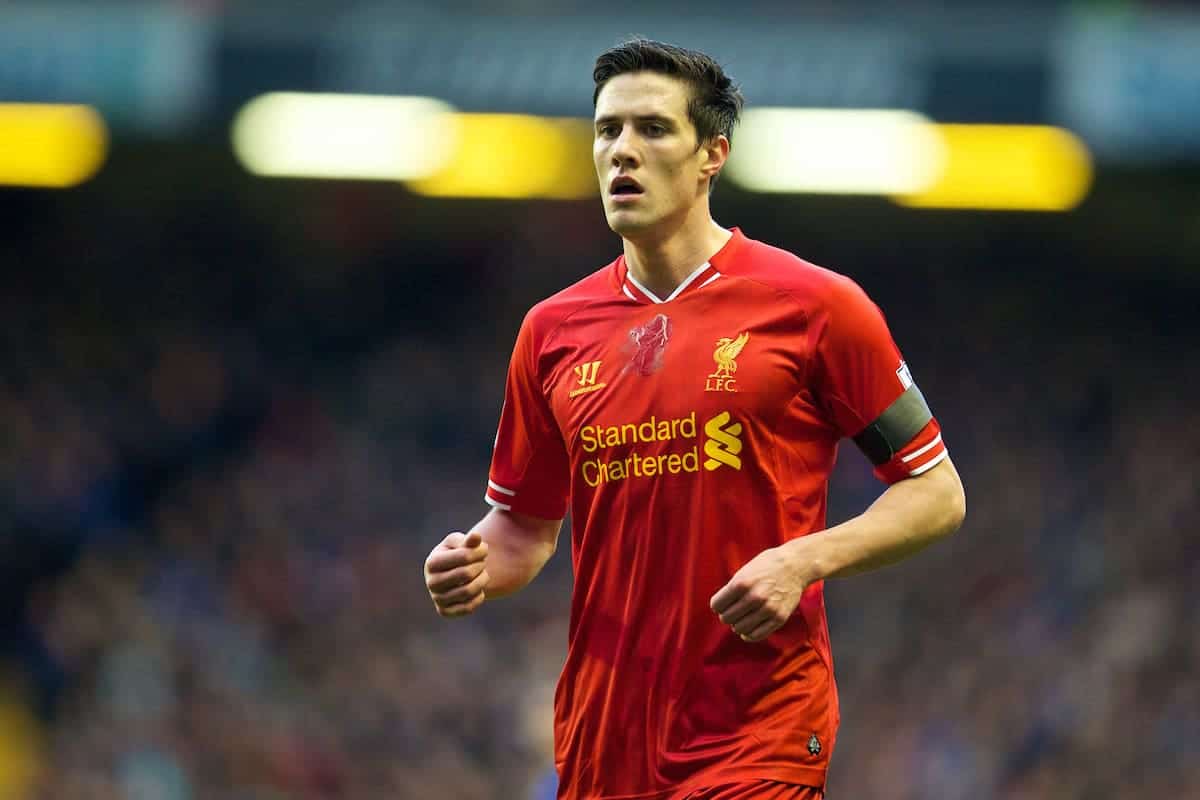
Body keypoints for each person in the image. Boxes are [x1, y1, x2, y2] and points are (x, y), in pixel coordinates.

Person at [423, 38, 966, 800]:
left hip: (758, 728)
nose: (622, 152)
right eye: (607, 130)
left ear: (713, 154)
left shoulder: (817, 307)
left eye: (652, 129)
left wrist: (803, 559)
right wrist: (472, 562)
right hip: (603, 733)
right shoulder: (551, 331)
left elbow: (936, 492)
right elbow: (523, 529)